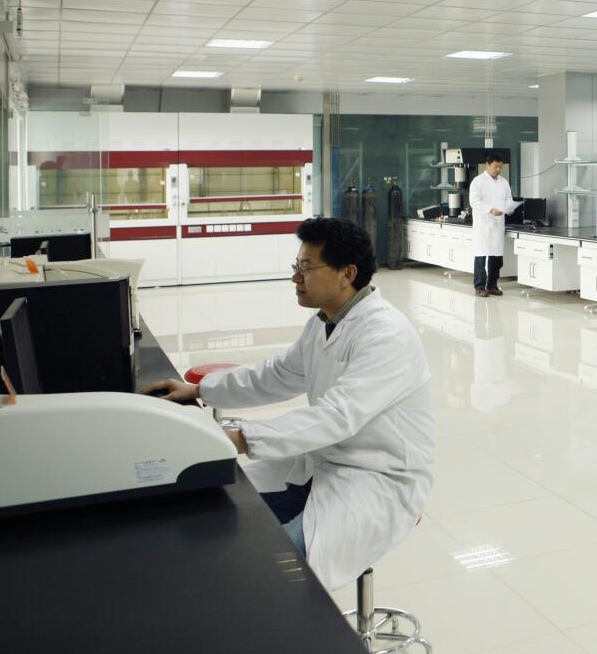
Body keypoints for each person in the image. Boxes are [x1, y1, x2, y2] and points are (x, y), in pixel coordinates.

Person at [139, 218, 433, 591]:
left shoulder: (386, 335)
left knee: (273, 573)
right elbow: (275, 375)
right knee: (221, 512)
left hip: (377, 479)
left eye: (306, 268)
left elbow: (336, 417)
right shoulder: (324, 322)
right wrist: (200, 390)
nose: (295, 277)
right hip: (322, 462)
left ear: (347, 274)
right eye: (296, 266)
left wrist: (238, 436)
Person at [469, 152, 520, 297]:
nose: (498, 169)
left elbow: (508, 200)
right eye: (496, 166)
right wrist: (490, 210)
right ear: (487, 165)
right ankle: (479, 287)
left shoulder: (503, 182)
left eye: (500, 167)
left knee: (496, 257)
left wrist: (510, 208)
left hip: (498, 224)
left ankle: (492, 286)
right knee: (481, 256)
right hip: (483, 225)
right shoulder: (478, 181)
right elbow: (474, 202)